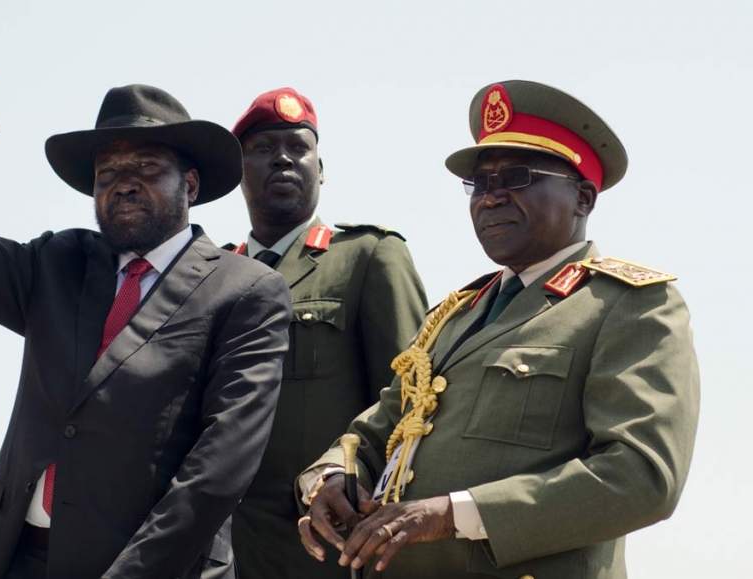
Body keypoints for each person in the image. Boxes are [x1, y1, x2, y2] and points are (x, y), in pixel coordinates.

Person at [0, 57, 292, 579]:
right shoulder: (58, 262)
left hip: (151, 567)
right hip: (15, 556)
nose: (123, 183)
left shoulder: (247, 290)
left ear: (189, 185)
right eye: (108, 172)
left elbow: (219, 467)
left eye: (145, 167)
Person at [296, 80, 700, 579]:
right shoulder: (456, 314)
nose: (490, 198)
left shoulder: (628, 305)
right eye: (480, 184)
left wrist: (454, 514)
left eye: (517, 176)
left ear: (583, 197)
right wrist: (334, 474)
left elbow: (642, 477)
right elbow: (381, 429)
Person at [225, 88, 428, 579]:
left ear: (321, 169)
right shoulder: (211, 277)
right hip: (223, 552)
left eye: (299, 148)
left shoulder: (367, 256)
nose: (283, 160)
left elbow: (412, 403)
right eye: (264, 148)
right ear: (239, 172)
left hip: (329, 551)